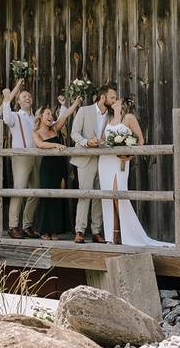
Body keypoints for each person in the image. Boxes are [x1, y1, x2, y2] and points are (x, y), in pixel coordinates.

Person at [99, 94, 173, 247]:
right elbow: (103, 140)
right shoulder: (109, 119)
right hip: (105, 161)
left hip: (120, 161)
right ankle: (112, 236)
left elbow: (140, 140)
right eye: (111, 99)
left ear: (121, 102)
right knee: (107, 197)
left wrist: (130, 154)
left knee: (118, 195)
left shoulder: (129, 118)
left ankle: (129, 234)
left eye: (115, 99)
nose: (112, 101)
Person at [69, 84, 112, 244]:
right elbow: (74, 133)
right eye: (112, 97)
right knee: (85, 194)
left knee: (99, 196)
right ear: (103, 98)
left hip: (103, 160)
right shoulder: (84, 111)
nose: (114, 100)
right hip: (86, 158)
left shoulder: (111, 116)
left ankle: (96, 231)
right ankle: (79, 231)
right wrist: (87, 142)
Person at [34, 98, 81, 239]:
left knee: (58, 197)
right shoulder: (36, 132)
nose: (50, 117)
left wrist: (76, 103)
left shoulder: (54, 128)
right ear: (41, 117)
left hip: (60, 167)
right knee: (47, 197)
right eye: (47, 114)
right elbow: (40, 145)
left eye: (51, 114)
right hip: (47, 168)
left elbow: (65, 116)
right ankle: (44, 230)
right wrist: (55, 145)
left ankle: (55, 230)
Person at [1, 78, 40, 239]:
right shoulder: (14, 116)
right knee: (19, 190)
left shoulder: (35, 118)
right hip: (21, 156)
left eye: (29, 96)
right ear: (17, 101)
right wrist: (10, 94)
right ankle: (13, 226)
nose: (27, 98)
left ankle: (27, 225)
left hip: (36, 156)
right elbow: (5, 116)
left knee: (36, 191)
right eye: (24, 96)